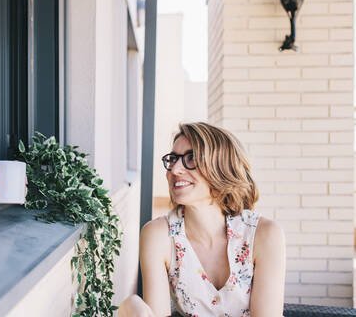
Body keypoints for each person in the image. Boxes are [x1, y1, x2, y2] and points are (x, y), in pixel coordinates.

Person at [119, 122, 286, 317]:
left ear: (221, 167)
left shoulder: (264, 235)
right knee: (133, 306)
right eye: (173, 159)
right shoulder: (158, 235)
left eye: (191, 158)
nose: (175, 170)